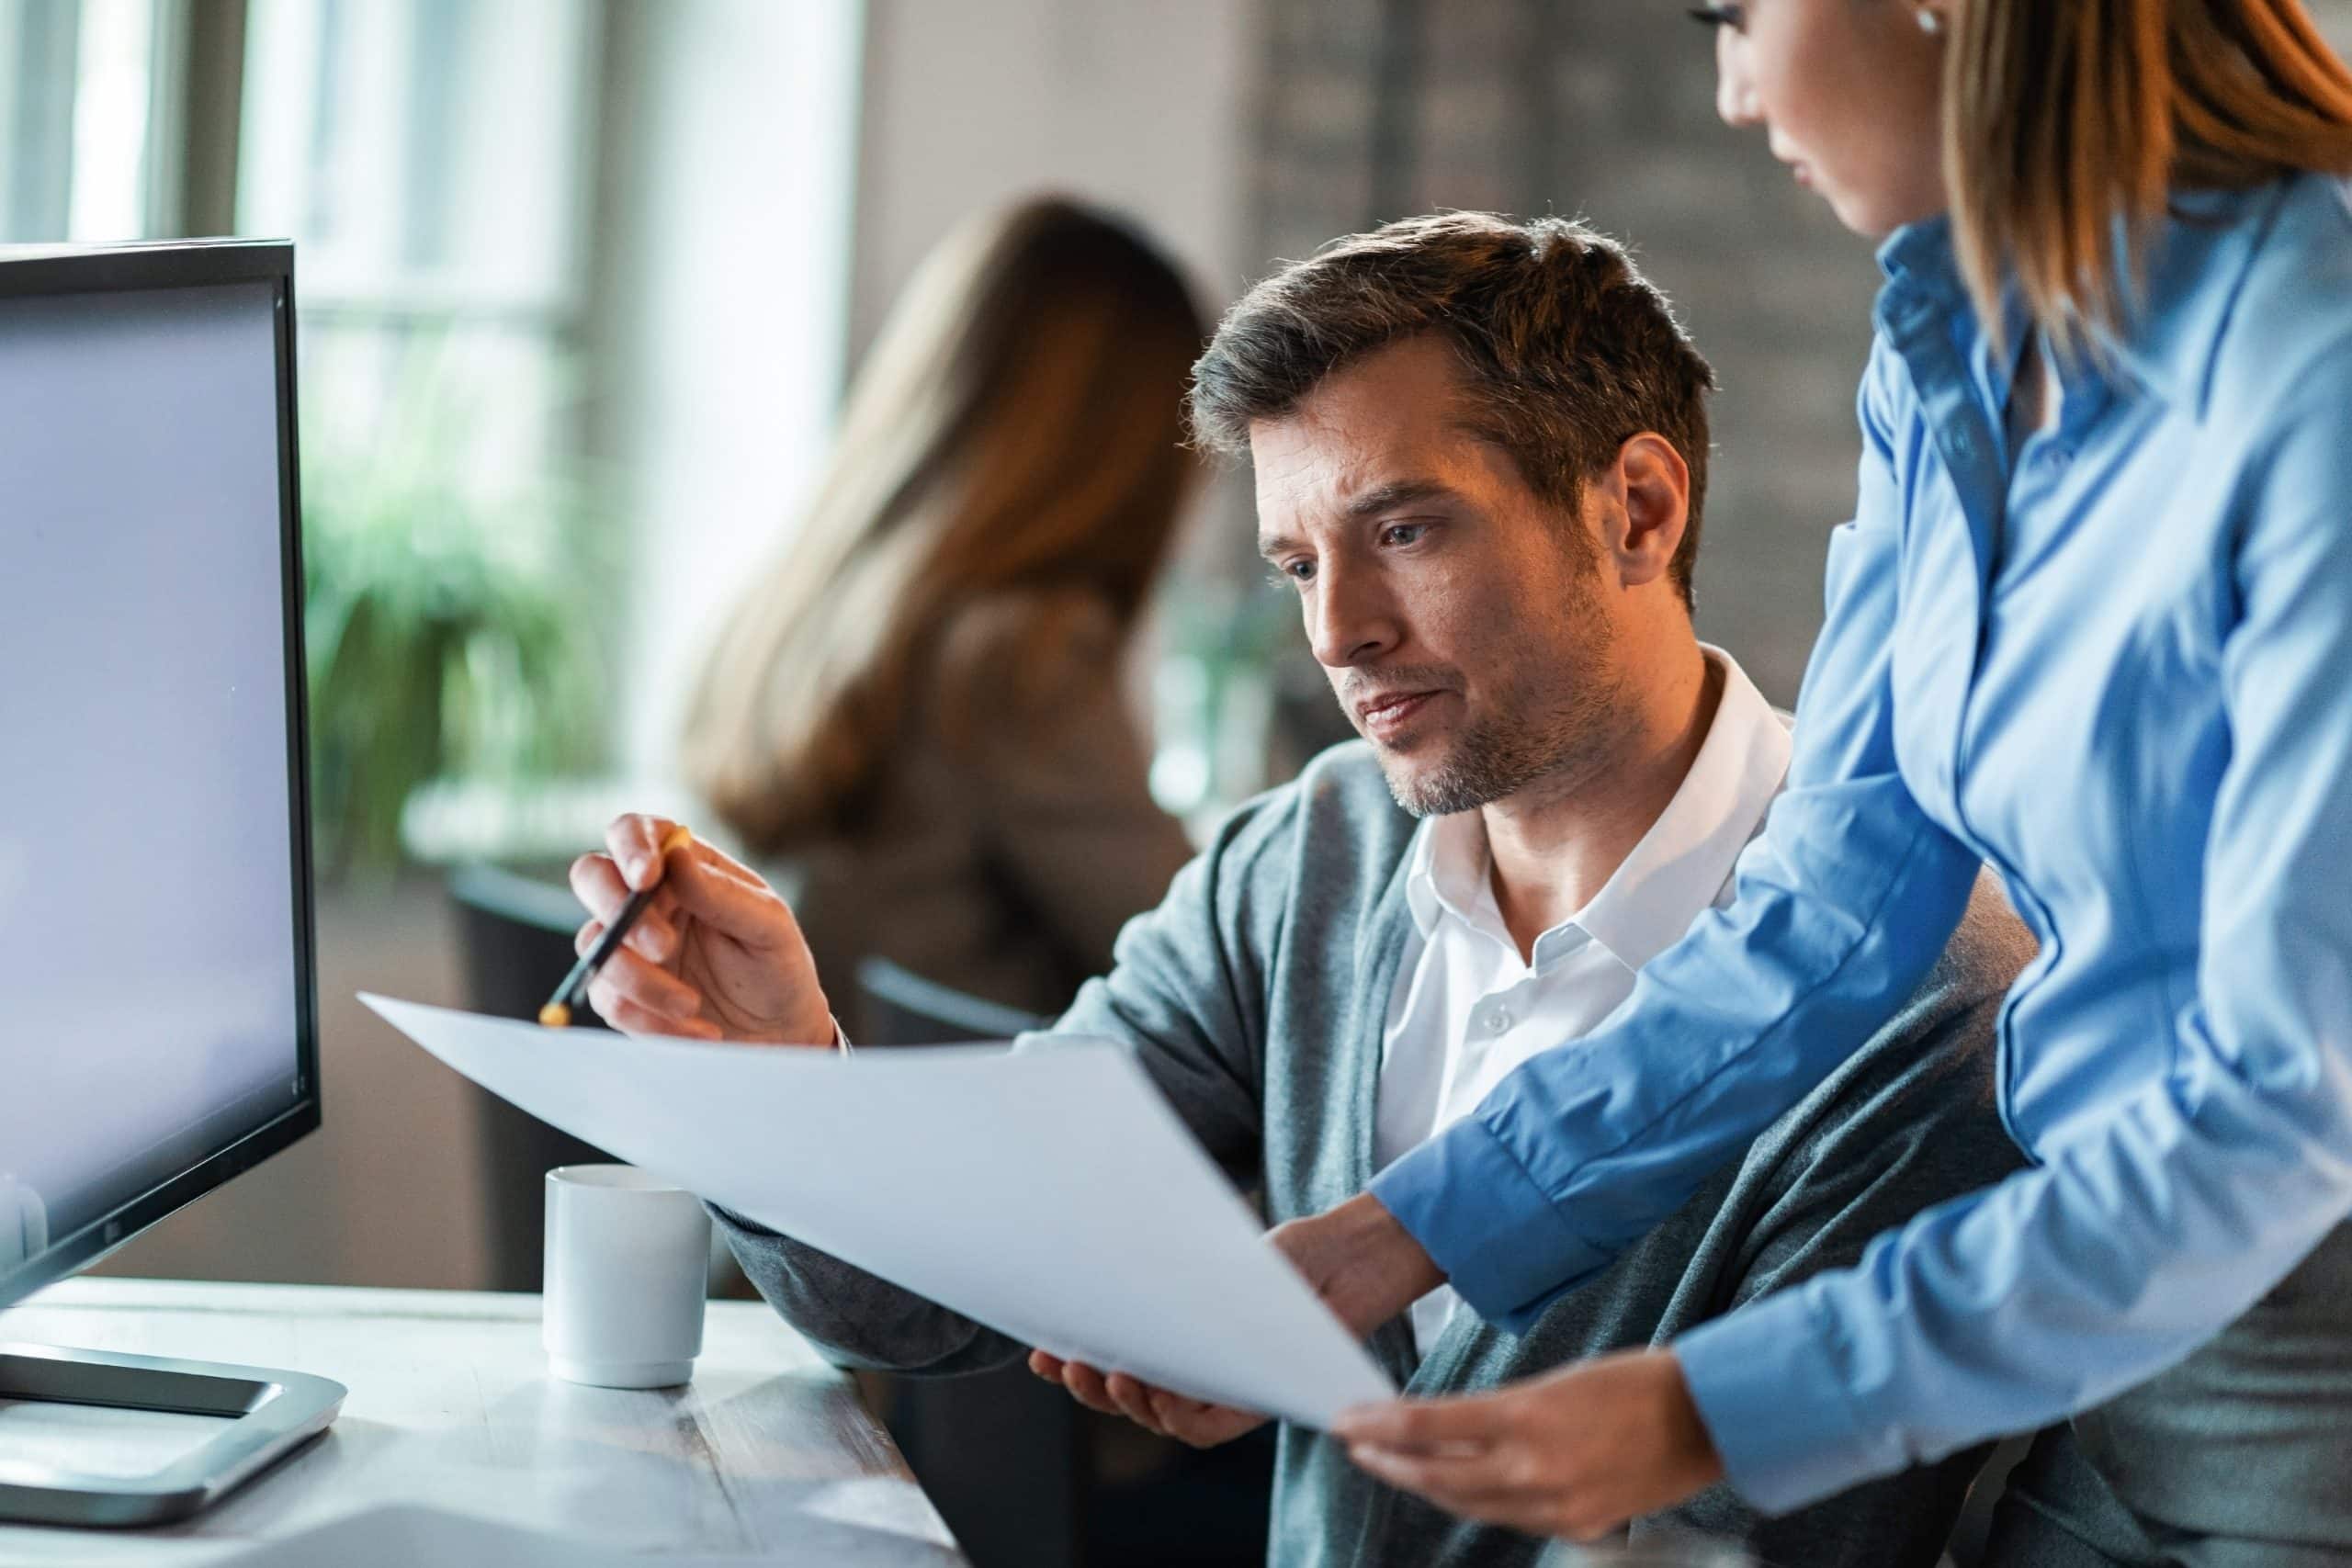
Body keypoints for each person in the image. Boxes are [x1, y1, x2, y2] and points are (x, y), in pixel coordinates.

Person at [569, 211, 2036, 1566]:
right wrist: (777, 1085)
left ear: (1638, 510)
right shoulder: (1314, 854)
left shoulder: (1920, 1012)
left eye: (1405, 528)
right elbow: (919, 1300)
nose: (1338, 631)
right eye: (1295, 561)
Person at [1270, 5, 2352, 1562]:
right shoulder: (1954, 354)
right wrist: (1404, 1232)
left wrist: (1713, 1405)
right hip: (2109, 1346)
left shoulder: (2313, 367)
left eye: (1736, 15)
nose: (1730, 88)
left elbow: (2282, 1099)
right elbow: (1831, 912)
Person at [679, 197, 1201, 1034]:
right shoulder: (1019, 652)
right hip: (946, 1140)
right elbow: (1210, 960)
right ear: (1125, 450)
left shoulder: (799, 606)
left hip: (803, 1118)